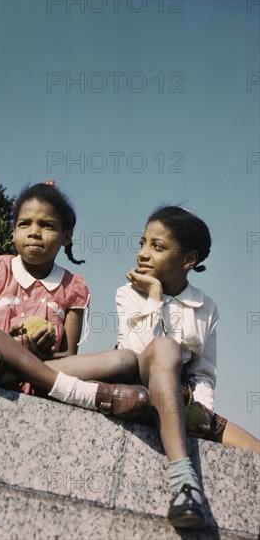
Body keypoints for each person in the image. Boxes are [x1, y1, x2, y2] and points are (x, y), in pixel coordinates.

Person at [0, 182, 149, 419]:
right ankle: (76, 392)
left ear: (66, 236)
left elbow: (69, 354)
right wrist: (8, 343)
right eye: (24, 224)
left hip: (42, 366)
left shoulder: (73, 286)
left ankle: (9, 376)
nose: (34, 231)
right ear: (14, 230)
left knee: (125, 360)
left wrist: (40, 351)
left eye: (47, 225)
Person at [115, 205, 259, 529]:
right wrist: (153, 297)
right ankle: (183, 484)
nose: (143, 253)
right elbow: (135, 352)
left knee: (254, 450)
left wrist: (203, 411)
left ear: (188, 260)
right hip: (137, 385)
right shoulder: (129, 293)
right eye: (142, 243)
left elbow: (204, 373)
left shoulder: (207, 307)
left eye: (157, 246)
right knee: (163, 350)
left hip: (183, 398)